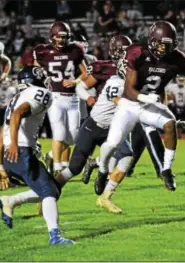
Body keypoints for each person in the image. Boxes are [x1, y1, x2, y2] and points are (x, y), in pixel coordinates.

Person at [97, 21, 185, 192]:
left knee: (170, 123)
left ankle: (166, 169)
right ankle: (102, 169)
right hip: (130, 104)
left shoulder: (177, 58)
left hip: (149, 105)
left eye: (168, 45)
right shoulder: (137, 53)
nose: (164, 49)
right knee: (111, 145)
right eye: (162, 44)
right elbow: (128, 90)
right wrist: (145, 97)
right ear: (152, 41)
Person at [53, 35, 133, 214]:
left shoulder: (134, 72)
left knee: (126, 157)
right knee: (73, 168)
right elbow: (81, 85)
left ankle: (105, 196)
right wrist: (88, 97)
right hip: (96, 121)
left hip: (115, 127)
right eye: (125, 53)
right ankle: (48, 194)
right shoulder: (104, 68)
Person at [0, 66, 74, 245]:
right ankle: (55, 236)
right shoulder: (40, 93)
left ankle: (11, 200)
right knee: (50, 190)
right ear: (36, 79)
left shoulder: (15, 98)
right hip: (20, 151)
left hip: (9, 155)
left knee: (49, 188)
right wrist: (15, 145)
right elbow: (18, 114)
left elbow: (0, 135)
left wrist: (0, 165)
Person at [33, 21, 87, 176]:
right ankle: (57, 167)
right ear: (52, 36)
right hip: (54, 97)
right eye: (59, 37)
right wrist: (42, 81)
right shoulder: (43, 52)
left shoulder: (75, 50)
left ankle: (50, 156)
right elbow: (35, 70)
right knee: (59, 132)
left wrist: (75, 81)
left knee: (74, 136)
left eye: (64, 37)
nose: (62, 40)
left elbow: (85, 72)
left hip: (72, 98)